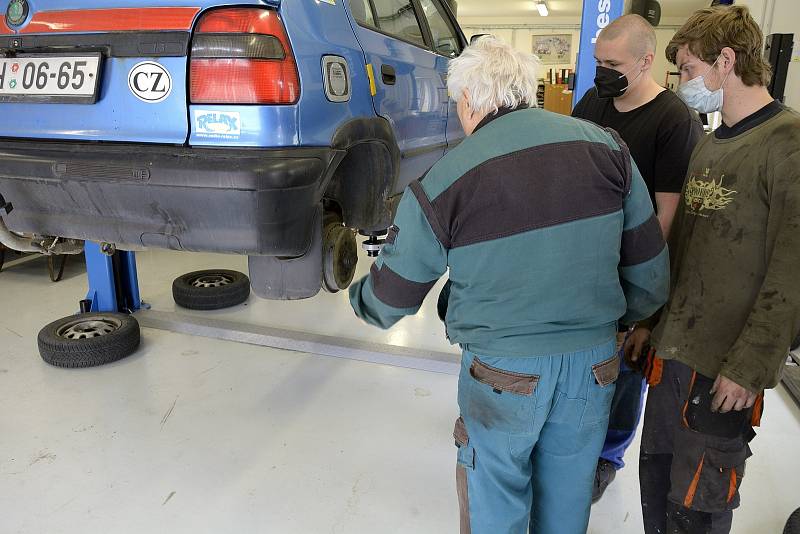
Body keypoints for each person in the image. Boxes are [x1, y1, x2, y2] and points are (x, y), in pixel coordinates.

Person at [348, 36, 669, 534]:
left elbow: (390, 299)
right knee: (567, 495)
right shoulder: (608, 149)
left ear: (470, 101)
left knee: (496, 497)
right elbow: (651, 276)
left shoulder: (444, 180)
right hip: (595, 365)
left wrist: (359, 297)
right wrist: (616, 323)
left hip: (502, 373)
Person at [623, 6, 800, 533]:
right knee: (656, 482)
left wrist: (750, 367)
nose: (681, 82)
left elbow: (792, 271)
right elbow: (683, 248)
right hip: (674, 356)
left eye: (688, 69)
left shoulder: (787, 145)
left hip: (725, 367)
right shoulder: (710, 142)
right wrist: (651, 320)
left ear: (726, 61)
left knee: (698, 503)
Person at [571, 14, 704, 502]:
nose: (601, 72)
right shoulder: (594, 101)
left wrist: (643, 307)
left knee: (626, 371)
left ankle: (606, 458)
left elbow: (666, 219)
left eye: (613, 64)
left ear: (647, 61)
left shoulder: (674, 122)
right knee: (583, 364)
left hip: (633, 269)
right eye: (597, 62)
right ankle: (573, 446)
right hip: (586, 262)